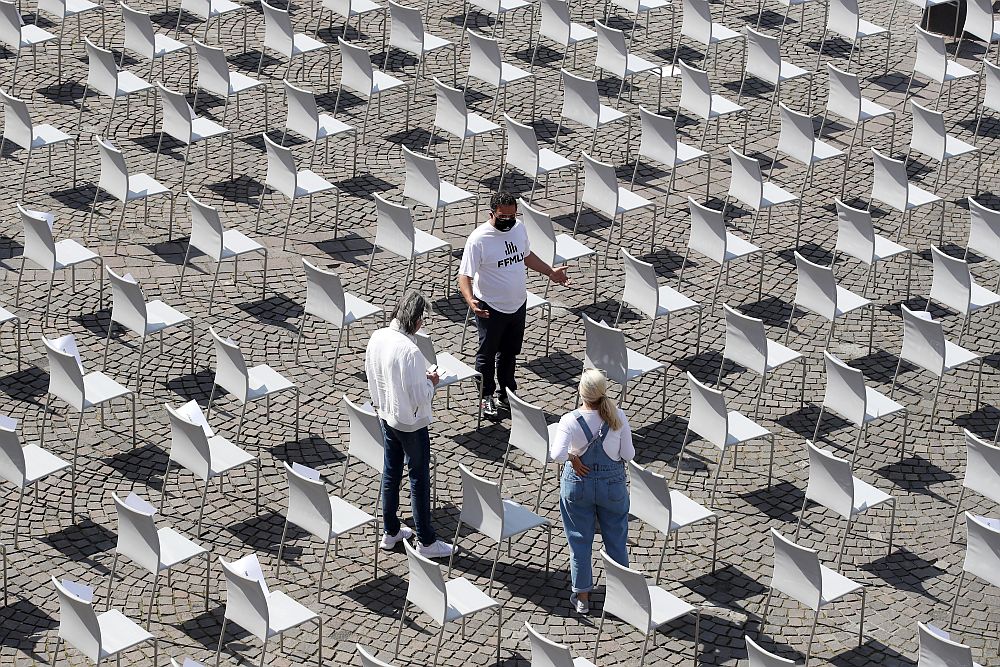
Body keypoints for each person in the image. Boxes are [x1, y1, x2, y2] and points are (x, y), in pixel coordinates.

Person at [458, 191, 570, 418]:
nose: (508, 221)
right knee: (486, 355)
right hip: (490, 307)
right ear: (492, 213)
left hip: (518, 304)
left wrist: (550, 271)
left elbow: (525, 255)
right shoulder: (479, 239)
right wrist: (471, 300)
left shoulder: (518, 228)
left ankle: (507, 393)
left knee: (509, 353)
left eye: (512, 216)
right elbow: (464, 275)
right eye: (503, 217)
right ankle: (485, 396)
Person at [364, 290, 456, 559]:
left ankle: (391, 531)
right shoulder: (411, 351)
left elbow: (371, 373)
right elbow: (420, 397)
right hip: (410, 423)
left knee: (391, 471)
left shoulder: (377, 336)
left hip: (385, 412)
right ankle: (426, 541)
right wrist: (432, 381)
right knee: (418, 477)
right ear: (415, 320)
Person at [550, 369, 635, 614]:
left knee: (579, 540)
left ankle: (583, 597)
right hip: (612, 487)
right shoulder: (618, 416)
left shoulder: (569, 420)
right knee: (616, 540)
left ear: (581, 393)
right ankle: (624, 595)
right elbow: (629, 455)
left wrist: (572, 457)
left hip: (579, 484)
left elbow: (556, 455)